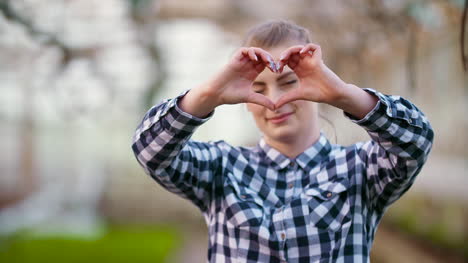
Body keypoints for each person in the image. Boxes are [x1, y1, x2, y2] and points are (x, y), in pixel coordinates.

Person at [131, 20, 434, 263]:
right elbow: (150, 151)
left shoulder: (362, 168)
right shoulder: (220, 168)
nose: (274, 101)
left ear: (319, 89)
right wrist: (209, 95)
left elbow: (416, 140)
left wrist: (343, 93)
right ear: (244, 101)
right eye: (257, 89)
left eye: (290, 83)